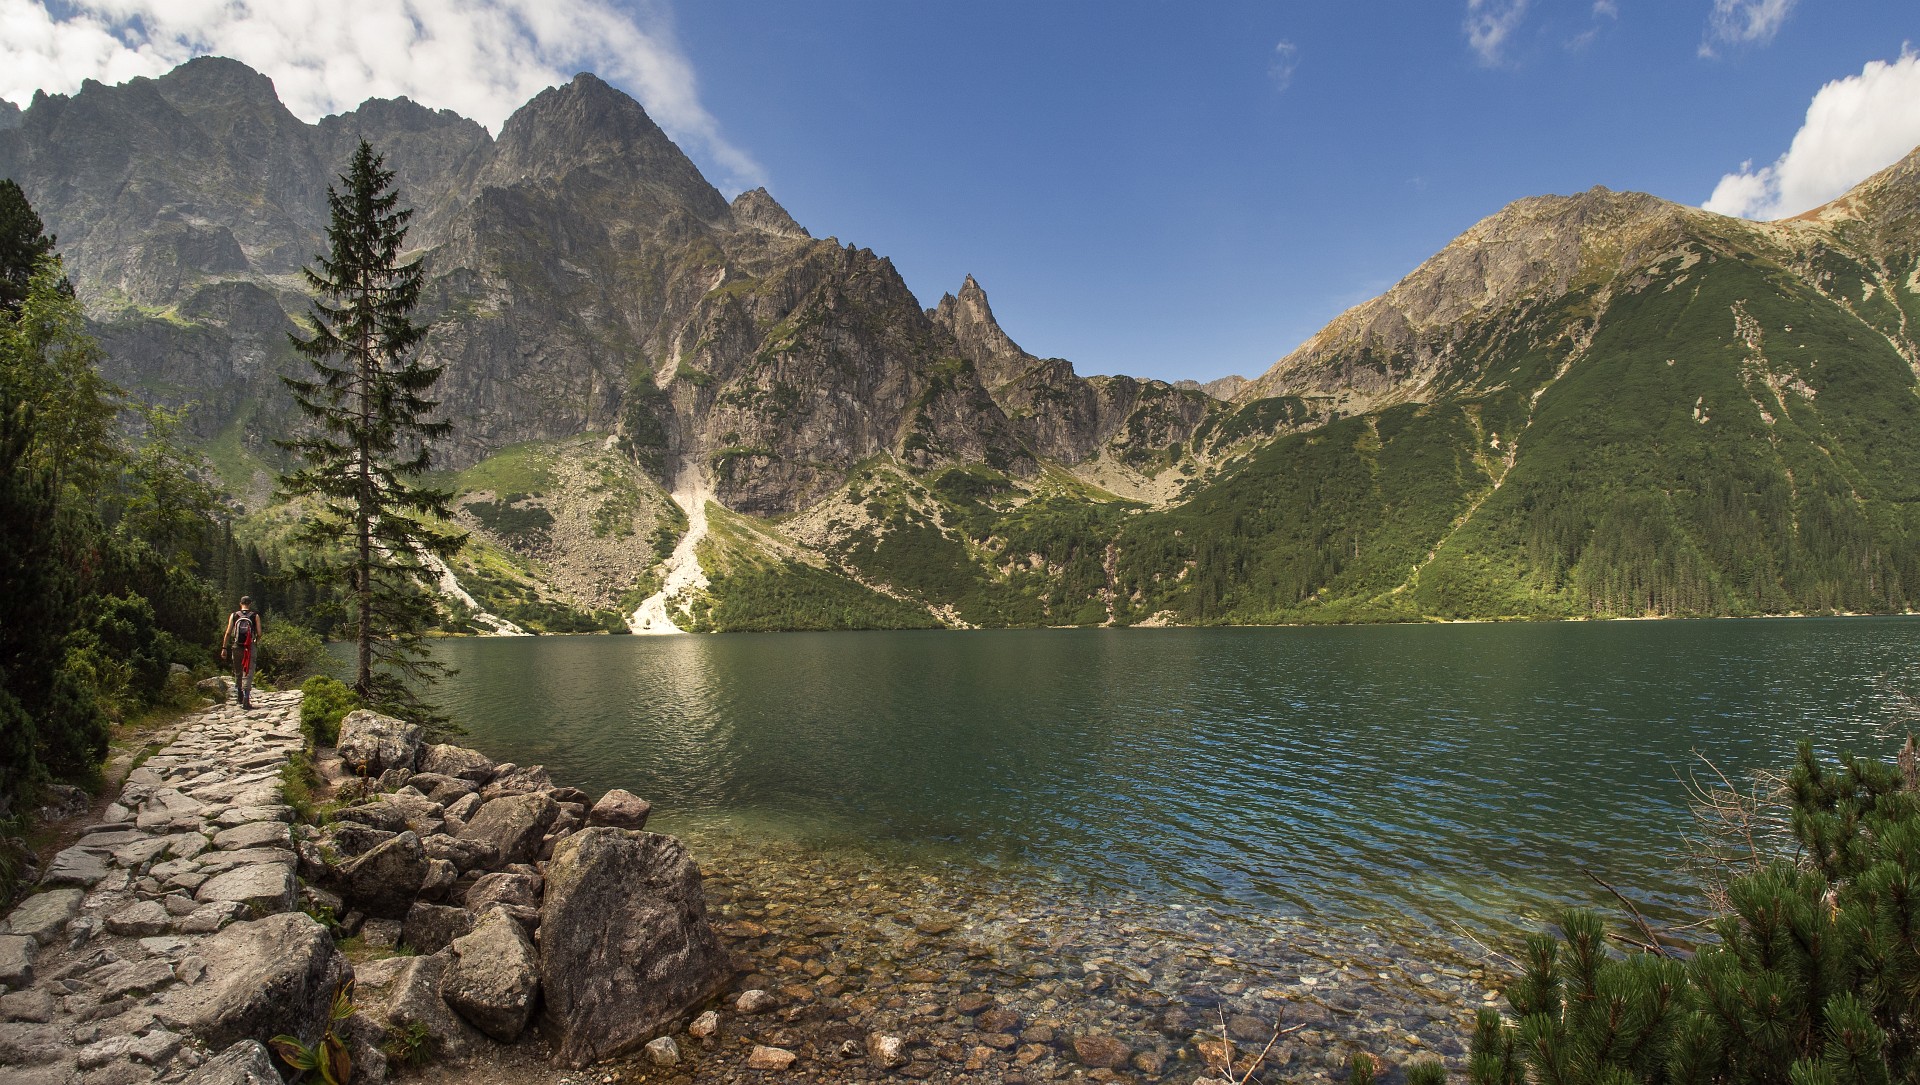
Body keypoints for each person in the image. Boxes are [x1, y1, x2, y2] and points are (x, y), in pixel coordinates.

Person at [220, 596, 265, 710]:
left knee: (238, 671)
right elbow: (259, 633)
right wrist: (254, 641)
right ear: (250, 603)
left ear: (240, 603)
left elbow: (228, 633)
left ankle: (239, 693)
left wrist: (224, 648)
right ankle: (246, 697)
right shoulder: (255, 616)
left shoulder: (234, 615)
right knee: (248, 672)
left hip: (236, 646)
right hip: (249, 648)